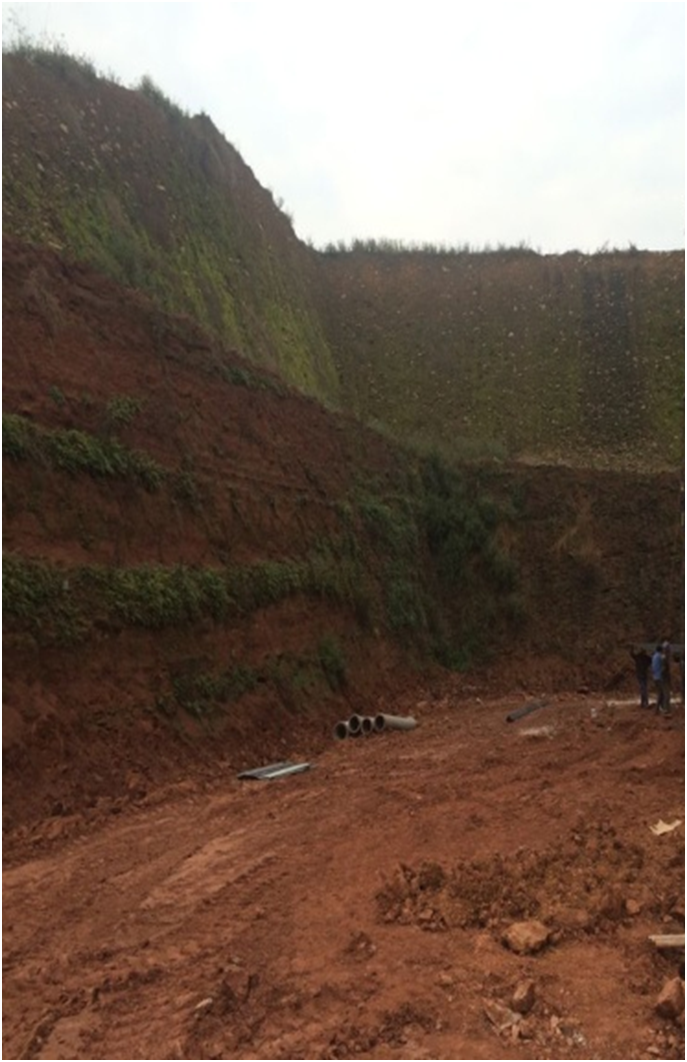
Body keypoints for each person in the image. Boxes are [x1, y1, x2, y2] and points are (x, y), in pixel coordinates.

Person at [651, 642, 671, 715]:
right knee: (666, 694)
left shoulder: (654, 656)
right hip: (661, 677)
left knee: (660, 694)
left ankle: (657, 710)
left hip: (655, 677)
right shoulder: (661, 657)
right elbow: (664, 667)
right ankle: (666, 710)